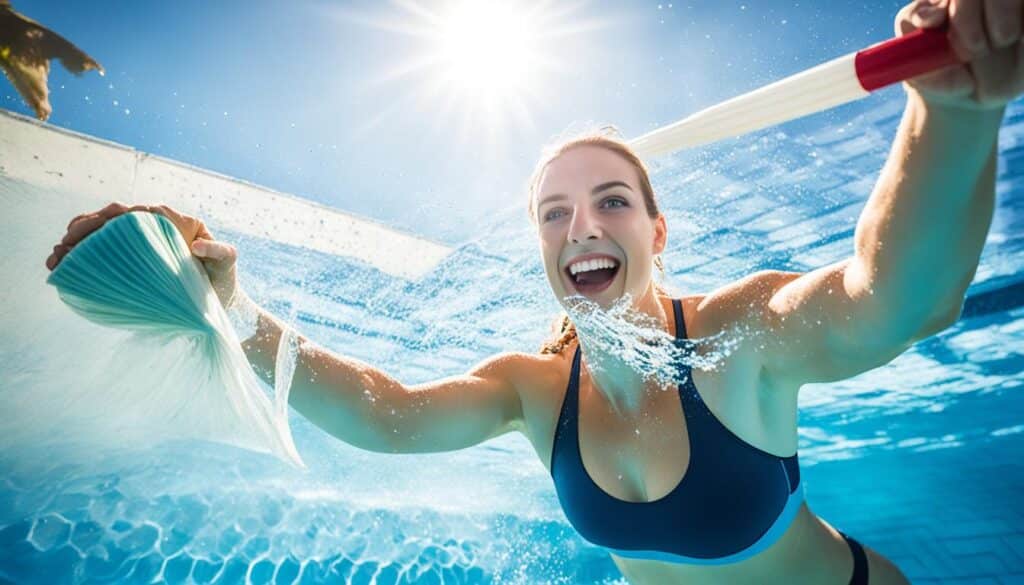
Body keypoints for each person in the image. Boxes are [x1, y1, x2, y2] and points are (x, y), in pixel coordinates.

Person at [44, 1, 1019, 583]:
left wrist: (952, 113)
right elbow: (386, 418)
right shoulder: (533, 389)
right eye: (553, 213)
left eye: (609, 201)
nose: (580, 227)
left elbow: (892, 300)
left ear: (656, 231)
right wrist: (233, 314)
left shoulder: (738, 335)